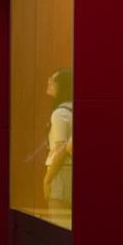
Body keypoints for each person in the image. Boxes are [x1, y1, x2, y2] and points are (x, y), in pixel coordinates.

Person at [44, 69, 73, 211]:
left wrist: (47, 179)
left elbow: (61, 150)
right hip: (68, 170)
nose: (49, 81)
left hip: (60, 172)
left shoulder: (60, 113)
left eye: (53, 80)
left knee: (56, 217)